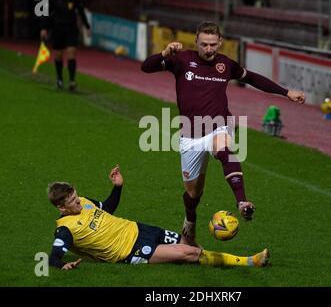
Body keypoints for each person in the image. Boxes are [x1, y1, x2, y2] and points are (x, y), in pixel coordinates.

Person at [141, 21, 305, 246]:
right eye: (204, 44)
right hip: (189, 135)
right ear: (196, 42)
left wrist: (286, 92)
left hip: (219, 124)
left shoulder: (226, 65)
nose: (209, 49)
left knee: (224, 147)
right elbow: (146, 67)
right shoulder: (180, 59)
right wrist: (163, 53)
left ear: (220, 43)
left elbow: (253, 78)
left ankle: (242, 202)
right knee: (193, 194)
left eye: (213, 45)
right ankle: (190, 221)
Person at [47, 165, 270, 270]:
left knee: (193, 245)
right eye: (71, 201)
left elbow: (107, 208)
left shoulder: (85, 202)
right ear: (61, 208)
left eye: (75, 195)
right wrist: (62, 266)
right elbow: (54, 256)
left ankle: (219, 262)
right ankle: (250, 262)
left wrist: (118, 187)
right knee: (190, 253)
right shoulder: (65, 229)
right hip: (129, 251)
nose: (77, 201)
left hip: (139, 229)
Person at [40, 0, 91, 91]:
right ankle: (59, 78)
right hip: (58, 30)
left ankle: (72, 81)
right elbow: (46, 13)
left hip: (71, 30)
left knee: (71, 53)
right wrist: (44, 28)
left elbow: (81, 11)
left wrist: (87, 26)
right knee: (58, 55)